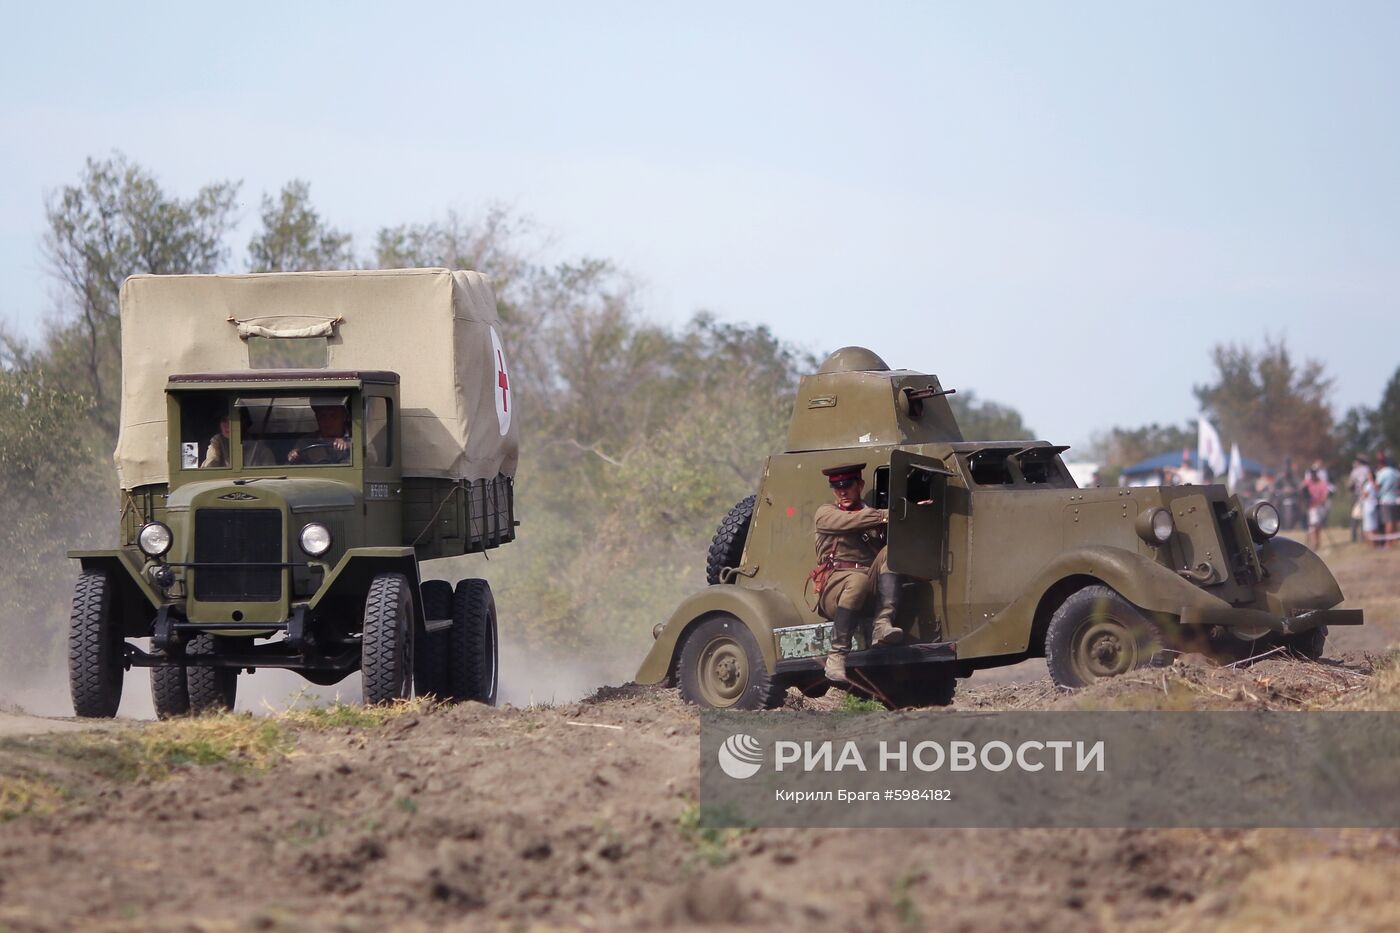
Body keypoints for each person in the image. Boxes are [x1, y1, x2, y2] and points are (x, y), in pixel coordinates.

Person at [811, 464, 906, 684]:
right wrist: (888, 515)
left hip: (866, 586)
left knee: (891, 553)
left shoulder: (870, 515)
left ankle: (882, 625)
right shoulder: (826, 513)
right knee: (857, 580)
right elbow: (853, 521)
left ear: (860, 485)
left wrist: (914, 512)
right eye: (836, 487)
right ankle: (836, 656)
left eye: (848, 485)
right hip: (833, 588)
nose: (842, 491)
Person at [287, 403, 352, 464]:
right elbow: (289, 468)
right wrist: (294, 457)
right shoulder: (306, 441)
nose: (328, 421)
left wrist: (349, 445)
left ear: (344, 416)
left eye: (333, 416)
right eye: (322, 416)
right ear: (317, 418)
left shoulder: (357, 437)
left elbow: (360, 454)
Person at [1301, 464, 1332, 551]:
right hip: (1312, 507)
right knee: (1313, 525)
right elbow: (1301, 488)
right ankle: (1314, 544)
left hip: (1320, 507)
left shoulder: (1322, 483)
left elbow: (1325, 496)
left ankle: (1316, 543)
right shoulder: (1308, 482)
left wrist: (1319, 502)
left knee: (1317, 526)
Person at [1376, 452, 1400, 548]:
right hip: (1395, 499)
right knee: (1395, 521)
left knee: (1388, 521)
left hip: (1386, 500)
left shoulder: (1383, 472)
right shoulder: (1396, 473)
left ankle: (1388, 543)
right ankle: (1394, 541)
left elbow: (1377, 486)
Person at [1348, 456, 1372, 543]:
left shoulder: (1355, 471)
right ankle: (1363, 536)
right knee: (1364, 517)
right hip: (1368, 496)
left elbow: (1350, 485)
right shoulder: (1368, 469)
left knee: (1355, 517)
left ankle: (1354, 538)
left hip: (1358, 496)